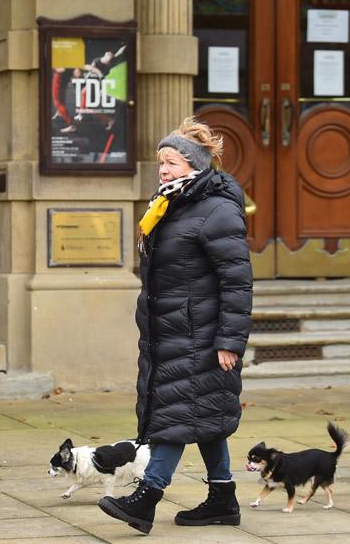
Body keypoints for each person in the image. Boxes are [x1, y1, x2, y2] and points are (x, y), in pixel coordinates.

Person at [97, 117, 253, 534]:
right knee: (201, 412)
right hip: (172, 330)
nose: (164, 170)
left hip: (200, 333)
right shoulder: (170, 203)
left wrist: (229, 341)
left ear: (195, 165)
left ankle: (146, 499)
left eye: (172, 163)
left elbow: (236, 281)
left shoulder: (217, 209)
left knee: (175, 415)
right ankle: (222, 497)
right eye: (161, 163)